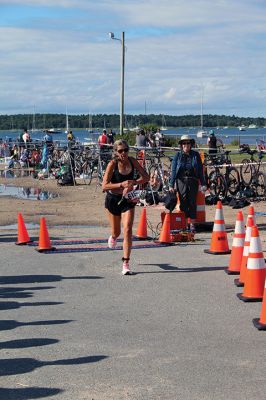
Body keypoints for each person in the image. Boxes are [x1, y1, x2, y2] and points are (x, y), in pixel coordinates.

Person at [102, 139, 149, 275]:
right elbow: (104, 186)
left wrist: (133, 182)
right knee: (117, 232)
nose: (124, 153)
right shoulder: (112, 164)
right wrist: (121, 184)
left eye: (126, 150)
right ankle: (113, 236)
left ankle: (126, 263)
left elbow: (146, 177)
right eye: (120, 151)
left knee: (127, 229)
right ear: (116, 152)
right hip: (113, 200)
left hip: (127, 200)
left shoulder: (133, 161)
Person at [169, 134, 206, 233]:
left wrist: (203, 183)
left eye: (188, 143)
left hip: (193, 181)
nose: (186, 145)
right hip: (181, 181)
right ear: (181, 145)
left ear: (191, 144)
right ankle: (185, 225)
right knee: (183, 202)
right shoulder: (177, 155)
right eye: (184, 143)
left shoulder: (196, 155)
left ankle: (192, 225)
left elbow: (200, 171)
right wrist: (171, 185)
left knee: (192, 202)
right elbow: (173, 170)